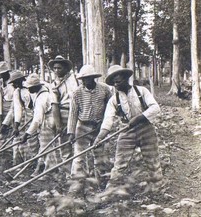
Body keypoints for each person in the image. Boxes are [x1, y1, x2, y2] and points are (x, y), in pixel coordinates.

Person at [95, 65, 163, 197]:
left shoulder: (142, 91)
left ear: (126, 79)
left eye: (118, 81)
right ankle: (110, 191)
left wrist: (138, 118)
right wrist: (100, 137)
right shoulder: (114, 100)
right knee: (119, 163)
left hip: (146, 128)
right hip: (126, 131)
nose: (116, 85)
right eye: (114, 82)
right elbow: (107, 120)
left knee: (152, 160)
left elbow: (155, 108)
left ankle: (157, 187)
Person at [66, 65, 112, 196]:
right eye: (84, 79)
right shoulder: (77, 93)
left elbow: (110, 108)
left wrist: (104, 124)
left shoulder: (104, 89)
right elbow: (73, 113)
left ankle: (101, 180)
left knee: (100, 154)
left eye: (89, 78)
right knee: (79, 156)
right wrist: (71, 133)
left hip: (99, 126)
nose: (86, 81)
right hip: (83, 126)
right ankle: (76, 182)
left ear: (93, 78)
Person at [19, 74, 59, 179]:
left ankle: (50, 171)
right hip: (46, 120)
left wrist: (27, 134)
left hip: (48, 122)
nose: (28, 89)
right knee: (43, 146)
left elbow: (37, 119)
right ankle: (41, 168)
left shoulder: (42, 97)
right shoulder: (40, 92)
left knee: (47, 147)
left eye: (30, 87)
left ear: (36, 86)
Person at [48, 55, 78, 176]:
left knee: (78, 143)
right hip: (63, 113)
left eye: (59, 68)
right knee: (65, 145)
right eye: (54, 68)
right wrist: (58, 123)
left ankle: (79, 172)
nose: (56, 71)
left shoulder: (75, 79)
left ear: (66, 68)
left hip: (77, 113)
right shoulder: (54, 84)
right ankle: (68, 173)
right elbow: (54, 104)